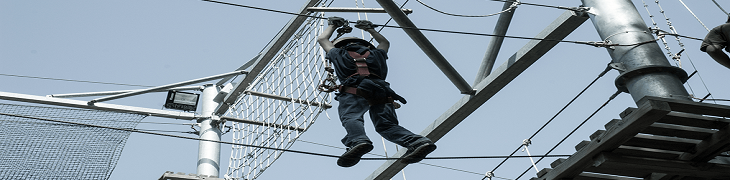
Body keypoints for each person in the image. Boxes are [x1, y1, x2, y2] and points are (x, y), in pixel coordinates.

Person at [317, 16, 436, 167]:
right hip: (382, 90)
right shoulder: (377, 54)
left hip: (354, 88)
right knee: (386, 125)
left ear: (341, 46)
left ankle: (358, 141)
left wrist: (332, 25)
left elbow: (322, 39)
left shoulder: (338, 54)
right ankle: (418, 142)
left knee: (352, 117)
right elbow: (384, 43)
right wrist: (369, 29)